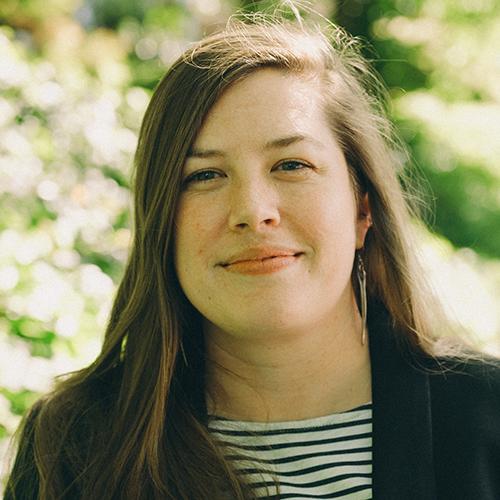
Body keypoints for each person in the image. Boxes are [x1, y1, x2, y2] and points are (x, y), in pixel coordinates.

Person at [5, 8, 500, 500]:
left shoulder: (487, 417)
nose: (252, 211)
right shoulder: (75, 445)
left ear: (362, 209)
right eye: (203, 176)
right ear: (162, 222)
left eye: (291, 164)